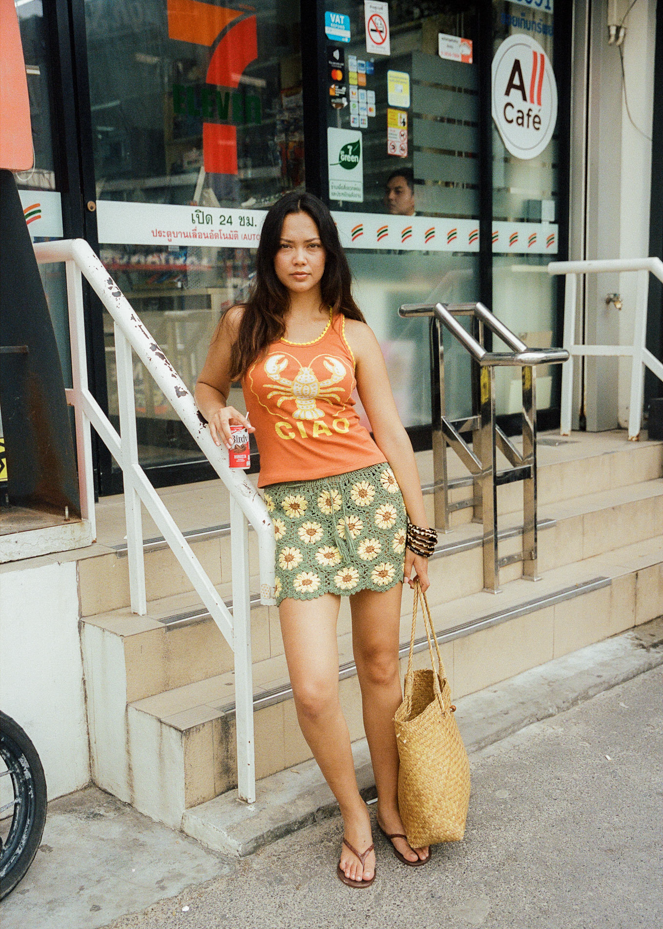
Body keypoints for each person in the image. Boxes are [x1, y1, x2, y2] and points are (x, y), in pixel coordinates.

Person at [195, 191, 436, 888]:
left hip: (369, 504)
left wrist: (419, 533)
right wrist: (217, 413)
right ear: (270, 253)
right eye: (286, 245)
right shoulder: (241, 324)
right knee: (311, 688)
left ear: (328, 253)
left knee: (380, 669)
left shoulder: (351, 332)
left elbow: (390, 433)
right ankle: (353, 813)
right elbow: (207, 386)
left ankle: (390, 807)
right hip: (295, 515)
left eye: (311, 245)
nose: (299, 258)